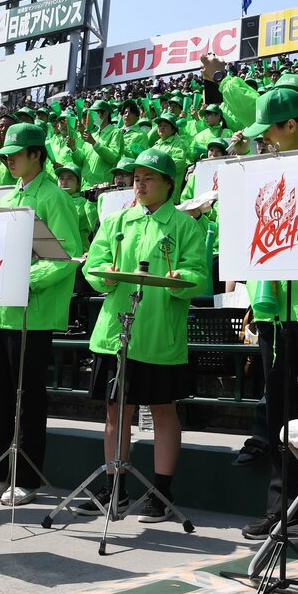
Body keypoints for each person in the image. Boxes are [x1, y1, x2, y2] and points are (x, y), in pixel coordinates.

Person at [78, 148, 207, 521]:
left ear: (170, 183)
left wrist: (179, 281)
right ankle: (113, 488)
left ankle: (161, 493)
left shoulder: (185, 226)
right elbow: (95, 263)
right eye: (136, 177)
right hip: (116, 331)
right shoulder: (117, 220)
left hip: (159, 335)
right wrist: (101, 272)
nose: (140, 184)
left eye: (148, 178)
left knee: (163, 411)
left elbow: (197, 274)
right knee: (116, 411)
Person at [0, 123, 86, 506]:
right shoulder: (8, 198)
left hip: (32, 315)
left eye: (16, 154)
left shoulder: (54, 197)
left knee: (27, 400)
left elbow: (66, 259)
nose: (9, 161)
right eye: (7, 156)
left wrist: (23, 280)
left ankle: (28, 480)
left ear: (37, 154)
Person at [233, 88, 298, 543]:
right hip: (276, 310)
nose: (263, 141)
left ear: (291, 126)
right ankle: (284, 509)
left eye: (267, 131)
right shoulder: (271, 169)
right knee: (281, 413)